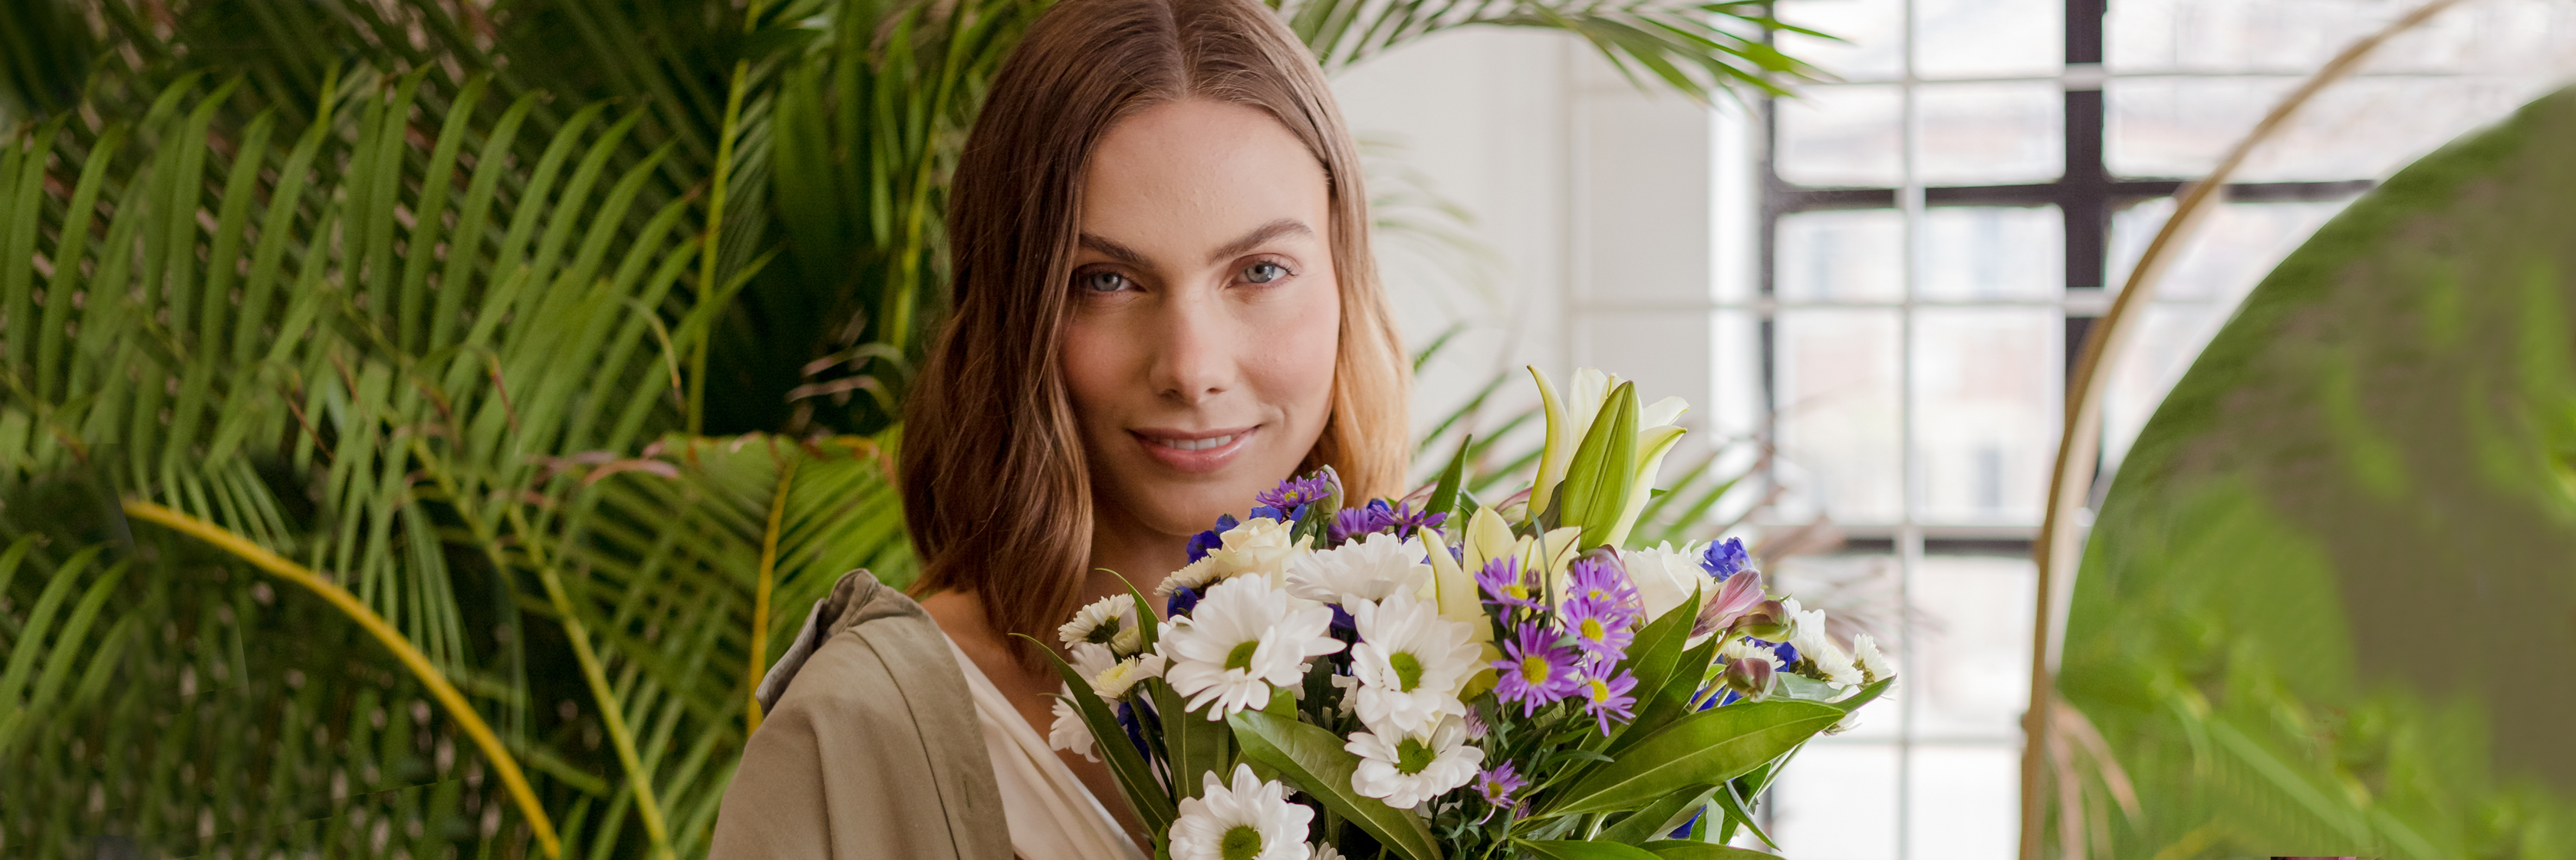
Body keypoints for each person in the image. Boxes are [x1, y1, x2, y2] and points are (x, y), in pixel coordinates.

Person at [706, 0, 1410, 855]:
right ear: (1011, 312)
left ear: (1344, 282)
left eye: (1259, 270)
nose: (1191, 368)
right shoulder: (855, 735)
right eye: (1105, 280)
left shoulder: (1468, 685)